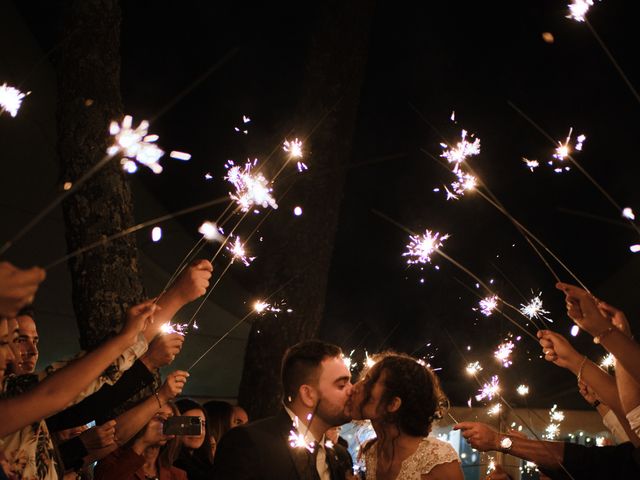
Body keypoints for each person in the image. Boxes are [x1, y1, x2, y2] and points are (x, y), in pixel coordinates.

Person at [211, 340, 353, 479]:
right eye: (341, 385)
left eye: (350, 382)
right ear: (308, 395)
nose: (352, 390)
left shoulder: (341, 456)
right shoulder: (248, 444)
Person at [350, 353, 462, 480]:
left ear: (393, 404)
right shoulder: (371, 451)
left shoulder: (437, 460)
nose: (355, 387)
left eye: (368, 382)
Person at [94, 402, 187, 480]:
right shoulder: (112, 458)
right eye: (159, 417)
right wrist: (142, 443)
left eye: (170, 419)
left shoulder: (178, 475)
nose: (165, 423)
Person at [174, 399, 214, 480]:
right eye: (189, 424)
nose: (197, 431)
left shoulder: (207, 465)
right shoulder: (170, 467)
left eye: (202, 424)